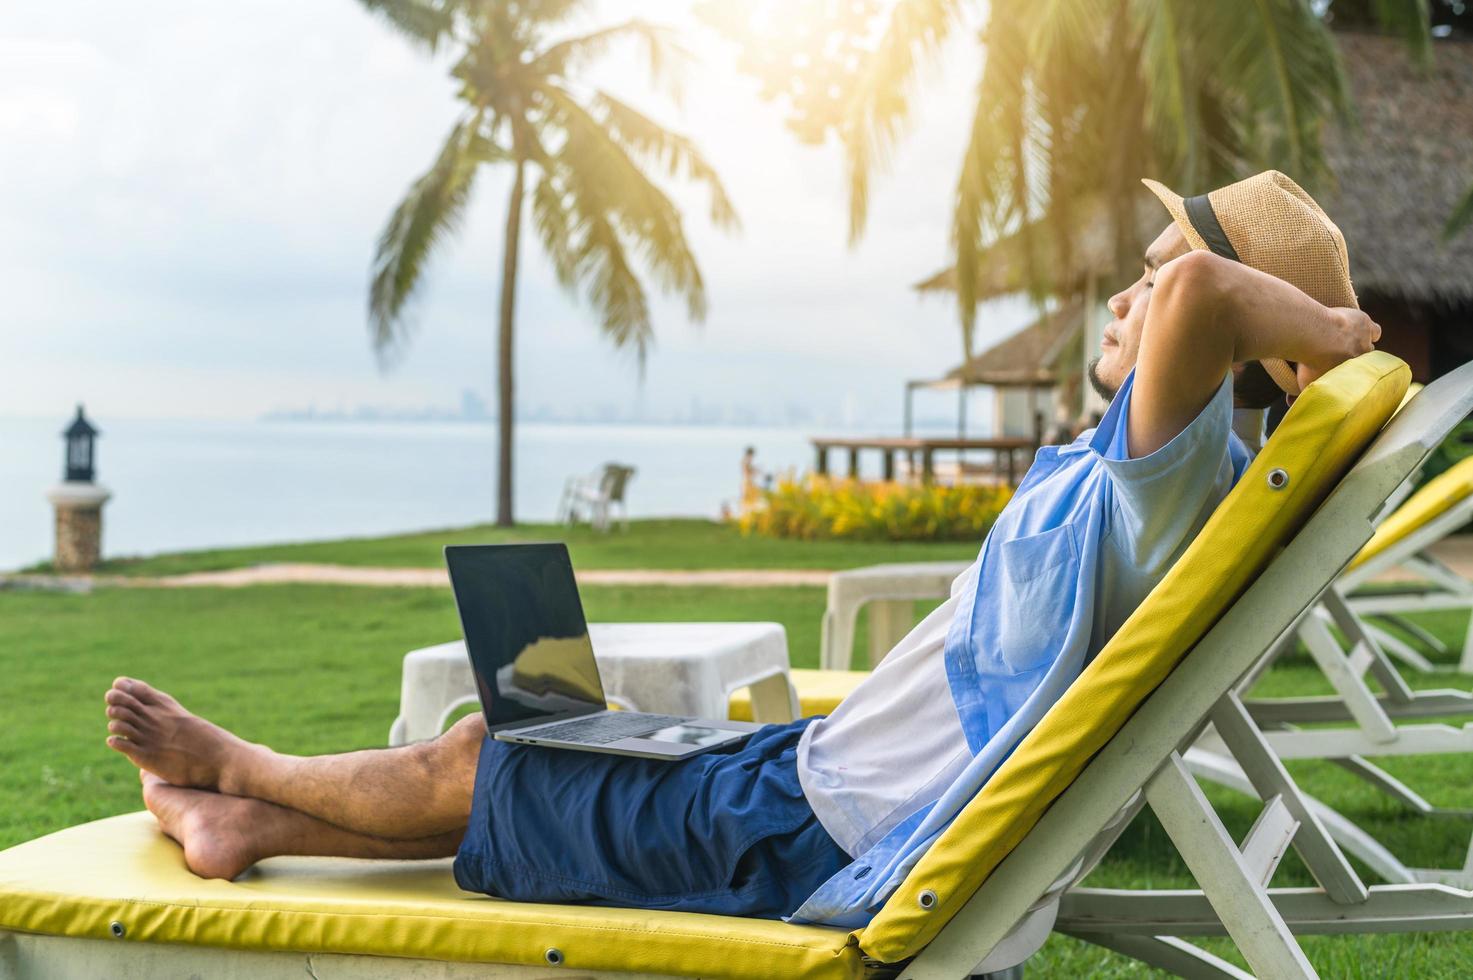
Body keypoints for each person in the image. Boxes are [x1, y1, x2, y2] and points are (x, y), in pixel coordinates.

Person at [103, 171, 1380, 926]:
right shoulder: (1143, 475)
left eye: (1152, 279)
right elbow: (1204, 302)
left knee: (493, 748)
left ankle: (242, 765)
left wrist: (1326, 329)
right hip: (806, 778)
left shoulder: (1168, 486)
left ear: (1234, 353)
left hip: (818, 830)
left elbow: (1211, 300)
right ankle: (247, 829)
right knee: (549, 753)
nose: (1127, 296)